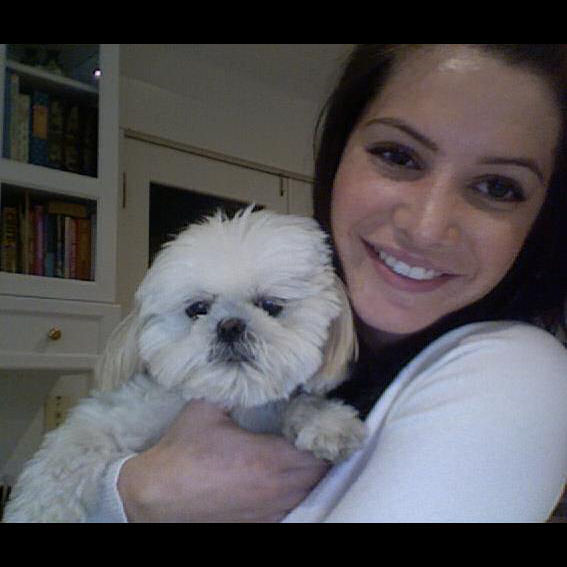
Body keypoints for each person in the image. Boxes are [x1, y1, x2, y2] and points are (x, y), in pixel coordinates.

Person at [90, 44, 567, 522]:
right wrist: (127, 494)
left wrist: (138, 500)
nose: (426, 228)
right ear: (338, 154)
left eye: (498, 187)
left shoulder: (518, 378)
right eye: (398, 156)